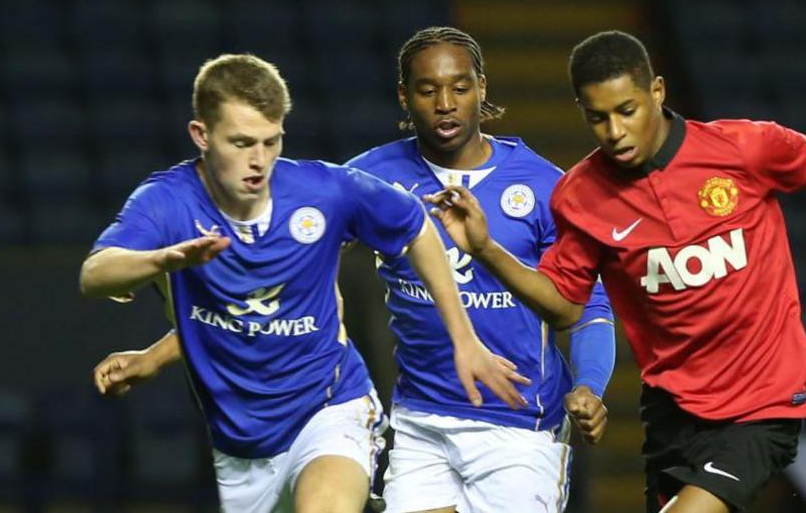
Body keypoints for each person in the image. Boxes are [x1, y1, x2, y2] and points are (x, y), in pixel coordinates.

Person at [93, 27, 617, 513]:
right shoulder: (371, 177)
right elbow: (271, 290)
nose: (445, 104)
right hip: (420, 419)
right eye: (428, 89)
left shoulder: (547, 187)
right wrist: (156, 355)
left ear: (481, 88)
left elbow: (588, 304)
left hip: (520, 422)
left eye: (459, 88)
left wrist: (590, 385)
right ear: (404, 97)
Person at [425, 30, 806, 513]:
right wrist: (487, 248)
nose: (615, 132)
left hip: (760, 406)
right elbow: (564, 305)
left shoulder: (741, 149)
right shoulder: (580, 196)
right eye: (598, 118)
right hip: (672, 410)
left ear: (656, 92)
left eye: (627, 111)